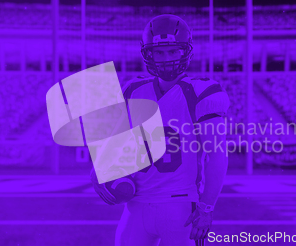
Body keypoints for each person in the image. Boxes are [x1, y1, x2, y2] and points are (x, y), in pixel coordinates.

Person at [91, 14, 230, 246]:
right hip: (136, 203)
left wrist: (207, 207)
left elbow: (216, 154)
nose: (166, 59)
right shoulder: (133, 89)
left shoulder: (202, 92)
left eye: (172, 51)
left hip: (181, 205)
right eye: (159, 52)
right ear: (149, 53)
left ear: (184, 51)